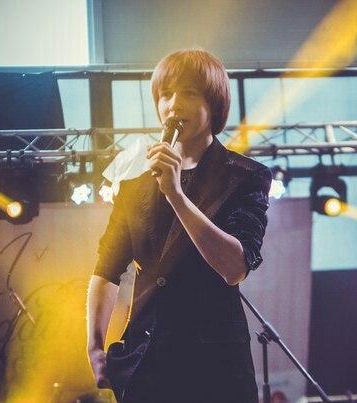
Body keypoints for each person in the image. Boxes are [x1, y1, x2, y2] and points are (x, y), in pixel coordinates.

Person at [87, 48, 272, 403]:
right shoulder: (134, 187)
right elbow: (106, 268)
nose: (173, 105)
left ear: (214, 103)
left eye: (188, 93)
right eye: (165, 94)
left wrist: (175, 194)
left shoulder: (245, 177)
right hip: (145, 363)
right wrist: (94, 346)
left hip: (216, 368)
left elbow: (235, 268)